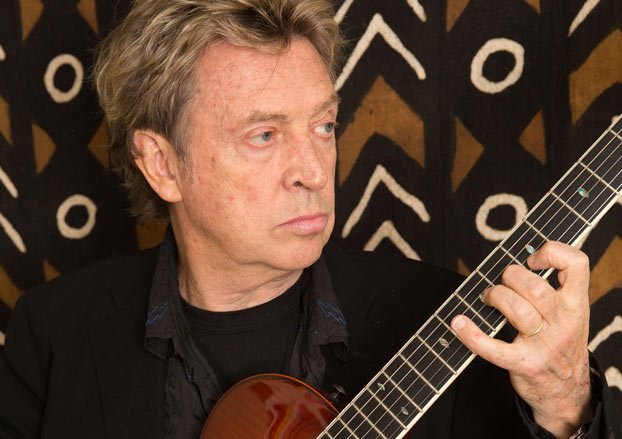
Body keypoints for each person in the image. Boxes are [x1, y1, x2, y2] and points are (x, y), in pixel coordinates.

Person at [0, 0, 619, 438]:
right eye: (264, 135)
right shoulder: (53, 332)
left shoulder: (456, 323)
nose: (313, 171)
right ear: (162, 164)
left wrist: (566, 401)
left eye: (323, 126)